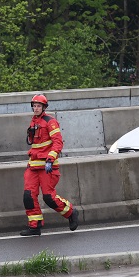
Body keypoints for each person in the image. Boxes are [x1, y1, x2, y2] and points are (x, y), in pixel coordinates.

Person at [20, 93, 79, 236]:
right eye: (34, 106)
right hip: (33, 165)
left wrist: (51, 159)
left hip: (47, 166)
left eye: (38, 106)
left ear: (44, 107)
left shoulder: (50, 121)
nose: (36, 108)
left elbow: (58, 142)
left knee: (49, 198)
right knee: (28, 196)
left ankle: (71, 212)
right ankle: (35, 226)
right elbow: (34, 144)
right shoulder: (33, 122)